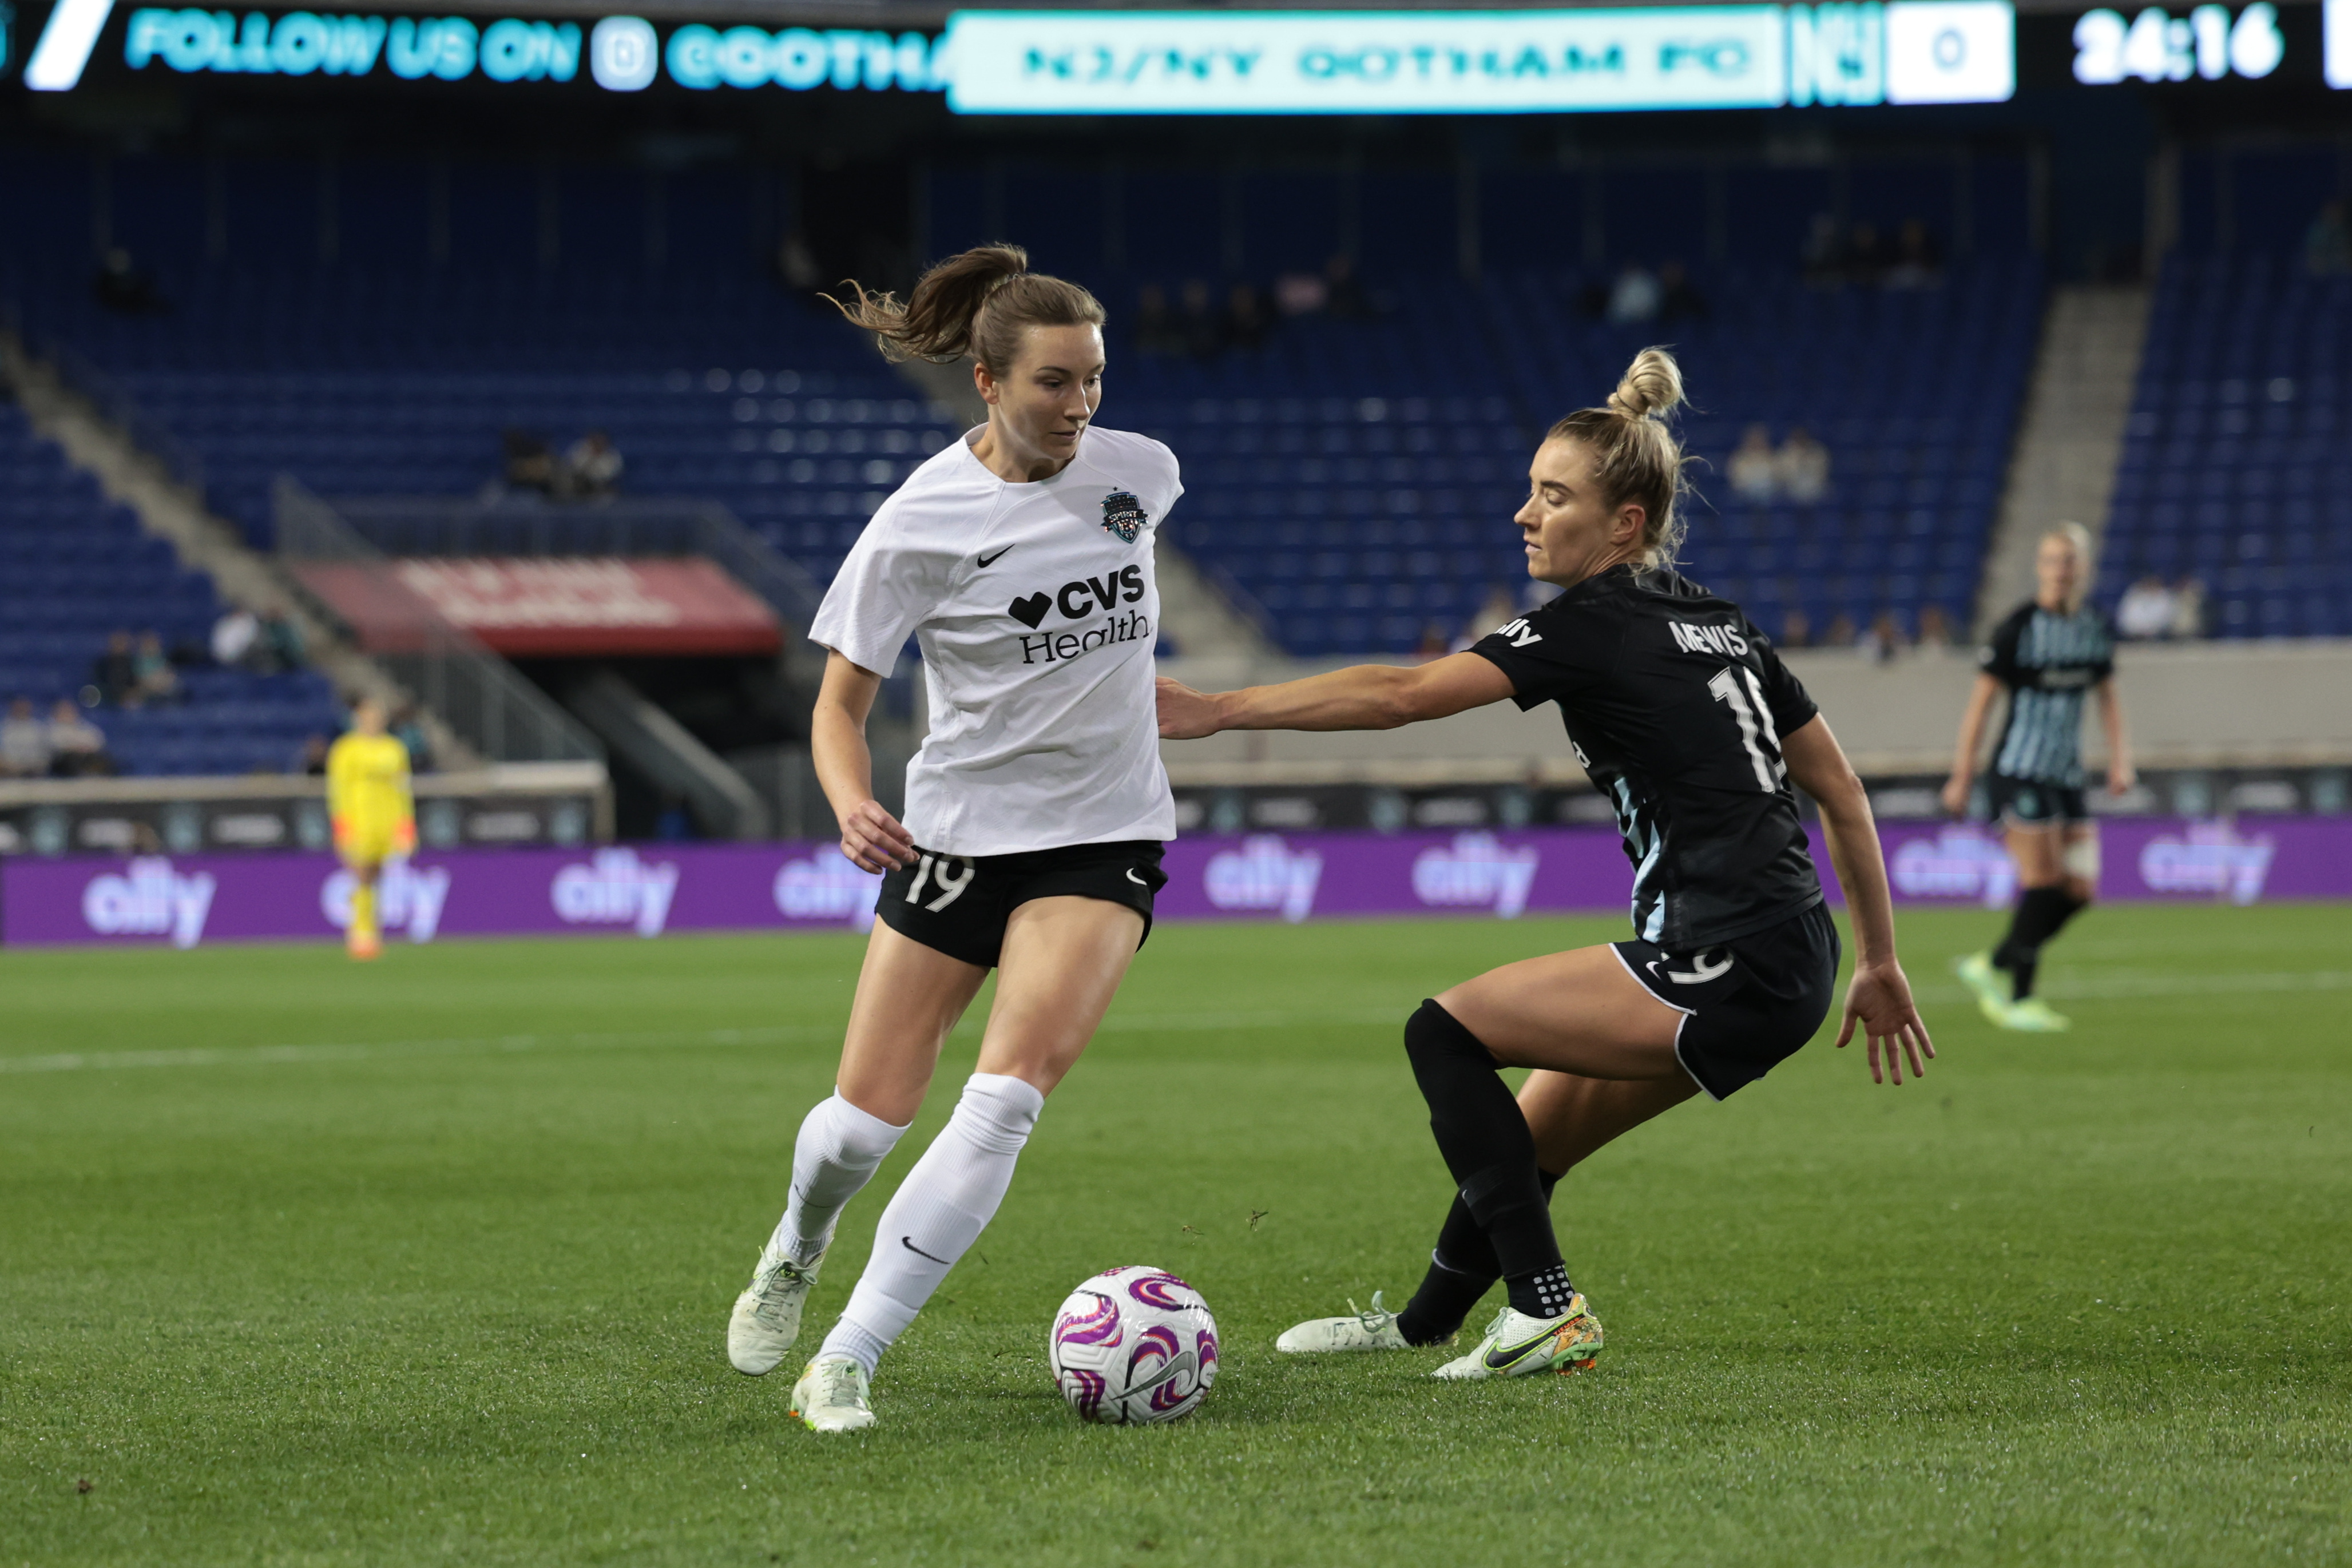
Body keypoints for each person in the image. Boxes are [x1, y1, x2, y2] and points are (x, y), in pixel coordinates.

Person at [1157, 348, 1932, 1379]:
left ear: (1624, 524)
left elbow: (1400, 696)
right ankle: (1426, 1323)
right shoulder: (1719, 622)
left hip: (1726, 955)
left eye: (1553, 496)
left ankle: (1548, 1307)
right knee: (1531, 1131)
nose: (1526, 514)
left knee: (1442, 1031)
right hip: (1785, 956)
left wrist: (1219, 710)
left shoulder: (1591, 626)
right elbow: (1840, 790)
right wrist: (1877, 959)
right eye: (1530, 491)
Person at [724, 244, 1181, 1435]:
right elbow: (837, 704)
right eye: (1053, 384)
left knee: (1003, 1099)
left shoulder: (1143, 472)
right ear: (986, 380)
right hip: (962, 835)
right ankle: (796, 1238)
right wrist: (848, 798)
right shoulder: (915, 523)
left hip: (1105, 832)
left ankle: (846, 1356)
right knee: (859, 1127)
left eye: (1092, 379)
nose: (1081, 407)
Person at [1941, 522, 2131, 1033]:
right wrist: (1961, 776)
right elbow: (1979, 708)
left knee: (2080, 890)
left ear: (2083, 568)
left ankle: (1990, 965)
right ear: (2038, 568)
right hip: (2018, 770)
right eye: (2051, 561)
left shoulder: (2093, 626)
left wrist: (2119, 759)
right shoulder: (2018, 628)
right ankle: (2020, 997)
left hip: (2066, 774)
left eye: (2068, 561)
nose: (2060, 571)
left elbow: (2106, 696)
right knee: (2043, 883)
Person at [327, 697, 416, 962]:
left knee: (377, 876)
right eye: (369, 715)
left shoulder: (394, 748)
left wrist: (406, 825)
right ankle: (360, 934)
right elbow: (338, 791)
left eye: (378, 716)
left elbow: (403, 790)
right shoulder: (346, 750)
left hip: (386, 821)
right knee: (362, 873)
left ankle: (370, 932)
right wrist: (342, 825)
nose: (374, 721)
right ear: (359, 718)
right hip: (360, 821)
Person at [47, 700, 110, 777]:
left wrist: (85, 748)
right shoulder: (53, 728)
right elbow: (56, 745)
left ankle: (101, 777)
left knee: (102, 757)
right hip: (63, 760)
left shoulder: (84, 726)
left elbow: (98, 740)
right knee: (72, 758)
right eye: (64, 711)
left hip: (86, 756)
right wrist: (76, 747)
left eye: (70, 711)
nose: (68, 714)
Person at [0, 697, 53, 777]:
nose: (21, 711)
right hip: (10, 766)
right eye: (19, 708)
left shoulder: (38, 727)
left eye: (23, 708)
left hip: (34, 765)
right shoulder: (5, 728)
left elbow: (46, 750)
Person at [1777, 427, 1831, 505]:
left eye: (1802, 437)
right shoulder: (1785, 453)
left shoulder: (1818, 451)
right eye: (1797, 437)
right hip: (1792, 490)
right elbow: (1782, 475)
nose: (1800, 439)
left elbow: (1823, 473)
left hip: (1815, 489)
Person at [564, 431, 624, 499]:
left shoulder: (612, 456)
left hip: (602, 484)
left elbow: (612, 474)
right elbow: (573, 466)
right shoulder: (580, 449)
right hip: (579, 482)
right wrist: (590, 458)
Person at [1728, 424, 1780, 503]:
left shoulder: (1773, 458)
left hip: (1769, 498)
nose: (1756, 442)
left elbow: (1778, 480)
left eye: (1759, 439)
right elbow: (1736, 482)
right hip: (1744, 499)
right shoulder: (1738, 459)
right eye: (1753, 439)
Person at [2116, 576, 2176, 641]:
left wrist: (2150, 631)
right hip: (2132, 638)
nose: (2151, 586)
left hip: (2159, 638)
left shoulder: (2165, 597)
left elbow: (2167, 620)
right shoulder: (2134, 595)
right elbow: (2125, 620)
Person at [92, 631, 140, 707]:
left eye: (122, 643)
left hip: (129, 697)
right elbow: (99, 683)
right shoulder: (102, 665)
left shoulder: (132, 663)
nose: (119, 646)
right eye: (117, 643)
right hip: (109, 697)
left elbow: (136, 682)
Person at [2306, 199, 2352, 277]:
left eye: (2338, 211)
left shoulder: (2345, 230)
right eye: (2332, 211)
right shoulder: (2318, 230)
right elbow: (2314, 259)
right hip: (2319, 274)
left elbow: (2347, 257)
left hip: (2341, 274)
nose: (2336, 214)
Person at [133, 630, 180, 705]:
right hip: (149, 691)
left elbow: (171, 675)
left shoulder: (162, 659)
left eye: (154, 644)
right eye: (148, 644)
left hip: (163, 692)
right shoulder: (139, 662)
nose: (152, 647)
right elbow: (140, 679)